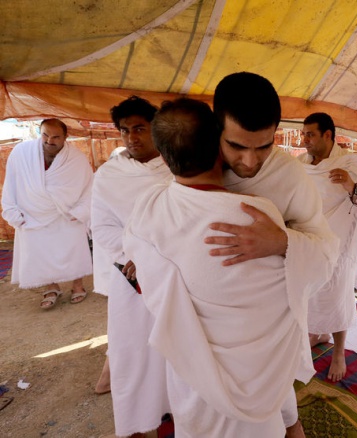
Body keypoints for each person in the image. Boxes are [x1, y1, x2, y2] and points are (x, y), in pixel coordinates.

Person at [123, 97, 314, 438]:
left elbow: (145, 273)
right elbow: (297, 285)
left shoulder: (146, 209)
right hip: (257, 377)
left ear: (163, 158)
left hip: (190, 375)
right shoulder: (259, 215)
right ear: (221, 148)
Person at [203, 72, 338, 437]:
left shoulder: (290, 175)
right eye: (236, 146)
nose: (250, 161)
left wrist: (281, 242)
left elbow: (327, 251)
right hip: (210, 322)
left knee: (273, 393)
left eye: (263, 147)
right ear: (216, 129)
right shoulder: (192, 164)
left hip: (268, 322)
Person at [91, 96, 172, 437]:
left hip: (173, 275)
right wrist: (135, 254)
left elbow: (186, 222)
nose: (131, 137)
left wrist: (152, 256)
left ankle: (173, 410)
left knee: (173, 349)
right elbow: (102, 229)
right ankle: (137, 423)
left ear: (156, 129)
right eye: (124, 130)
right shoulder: (109, 175)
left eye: (139, 128)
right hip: (129, 280)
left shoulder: (177, 167)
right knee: (133, 353)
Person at [298, 112, 357, 382]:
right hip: (309, 240)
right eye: (304, 134)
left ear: (327, 135)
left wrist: (350, 184)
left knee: (335, 294)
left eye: (310, 134)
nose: (305, 140)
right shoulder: (302, 164)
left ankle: (339, 352)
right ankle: (317, 332)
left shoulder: (349, 162)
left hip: (338, 243)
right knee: (309, 294)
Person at [1, 119, 92, 309]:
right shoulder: (21, 153)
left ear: (66, 137)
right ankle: (51, 287)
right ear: (39, 132)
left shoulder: (77, 158)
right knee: (41, 252)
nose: (50, 141)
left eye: (56, 137)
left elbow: (89, 188)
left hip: (66, 213)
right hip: (32, 213)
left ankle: (77, 285)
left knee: (73, 248)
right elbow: (11, 184)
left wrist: (81, 210)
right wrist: (12, 212)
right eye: (45, 135)